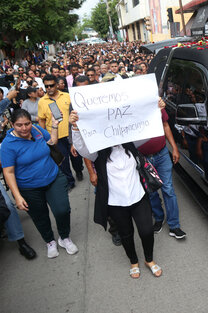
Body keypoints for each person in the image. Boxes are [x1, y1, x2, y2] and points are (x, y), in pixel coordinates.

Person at [70, 110, 162, 278]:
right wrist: (75, 128)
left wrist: (155, 109)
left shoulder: (131, 143)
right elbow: (82, 149)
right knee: (126, 234)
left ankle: (149, 259)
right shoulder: (98, 152)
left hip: (138, 197)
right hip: (115, 202)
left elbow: (148, 129)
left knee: (147, 230)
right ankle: (133, 261)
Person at [1, 109, 78, 258]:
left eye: (27, 123)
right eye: (19, 125)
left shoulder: (36, 130)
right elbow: (8, 172)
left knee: (62, 210)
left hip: (53, 178)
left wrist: (54, 125)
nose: (24, 128)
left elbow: (52, 142)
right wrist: (17, 197)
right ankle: (49, 241)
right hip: (29, 188)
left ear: (31, 122)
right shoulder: (7, 145)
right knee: (40, 216)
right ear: (12, 124)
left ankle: (64, 237)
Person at [137, 108, 186, 239]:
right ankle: (159, 218)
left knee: (168, 189)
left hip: (162, 154)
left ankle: (174, 225)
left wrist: (174, 147)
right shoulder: (130, 108)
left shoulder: (156, 103)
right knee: (151, 191)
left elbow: (165, 125)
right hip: (144, 158)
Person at [38, 74, 78, 189]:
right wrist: (44, 136)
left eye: (51, 85)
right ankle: (70, 181)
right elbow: (42, 120)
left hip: (72, 134)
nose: (49, 88)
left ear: (56, 85)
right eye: (46, 86)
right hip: (56, 138)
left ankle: (79, 171)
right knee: (63, 162)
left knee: (77, 158)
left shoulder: (67, 96)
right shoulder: (42, 101)